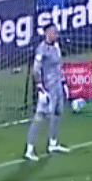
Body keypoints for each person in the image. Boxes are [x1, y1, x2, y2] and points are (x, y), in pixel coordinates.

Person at [24, 24, 71, 161]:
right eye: (53, 32)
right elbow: (36, 70)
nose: (56, 34)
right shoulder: (41, 49)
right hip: (47, 88)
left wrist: (64, 83)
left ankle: (53, 144)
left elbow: (59, 66)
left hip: (57, 86)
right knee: (39, 117)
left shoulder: (56, 46)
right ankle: (29, 150)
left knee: (57, 113)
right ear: (47, 33)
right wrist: (40, 88)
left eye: (56, 32)